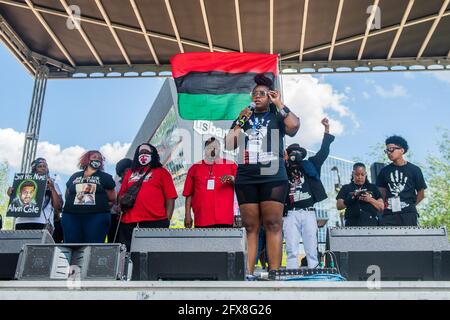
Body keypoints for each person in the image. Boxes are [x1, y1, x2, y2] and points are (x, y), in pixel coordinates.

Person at [225, 74, 300, 274]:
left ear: (270, 96)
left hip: (273, 174)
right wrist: (240, 122)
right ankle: (248, 273)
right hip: (247, 175)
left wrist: (280, 103)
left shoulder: (277, 114)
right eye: (254, 94)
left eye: (262, 94)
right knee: (250, 226)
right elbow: (229, 143)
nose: (257, 97)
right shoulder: (245, 117)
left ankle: (274, 273)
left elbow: (293, 127)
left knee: (273, 223)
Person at [283, 118, 334, 269]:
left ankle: (314, 270)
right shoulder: (282, 168)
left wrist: (326, 130)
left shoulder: (310, 165)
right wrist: (284, 162)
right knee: (291, 246)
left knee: (312, 245)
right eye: (293, 152)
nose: (296, 155)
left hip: (308, 212)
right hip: (290, 213)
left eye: (299, 152)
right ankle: (291, 271)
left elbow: (323, 152)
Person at [118, 143, 177, 250]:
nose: (143, 155)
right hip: (129, 222)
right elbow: (121, 195)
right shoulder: (130, 173)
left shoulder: (162, 172)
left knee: (154, 252)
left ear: (153, 154)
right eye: (141, 153)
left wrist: (167, 220)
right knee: (128, 253)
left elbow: (170, 197)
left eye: (147, 152)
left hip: (156, 221)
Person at [62, 150, 116, 243]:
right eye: (94, 157)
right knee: (71, 244)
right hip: (71, 216)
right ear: (86, 159)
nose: (97, 160)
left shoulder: (105, 177)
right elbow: (68, 195)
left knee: (93, 245)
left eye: (100, 158)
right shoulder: (75, 176)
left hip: (97, 216)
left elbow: (112, 199)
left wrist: (97, 208)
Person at [183, 137, 237, 228]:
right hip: (202, 219)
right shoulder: (195, 168)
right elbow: (189, 194)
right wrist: (187, 215)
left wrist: (233, 179)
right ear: (205, 150)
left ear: (219, 149)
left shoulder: (231, 165)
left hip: (224, 219)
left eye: (215, 147)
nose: (212, 149)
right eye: (209, 147)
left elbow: (243, 186)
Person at [376, 135, 427, 226]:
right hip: (389, 215)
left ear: (402, 150)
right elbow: (381, 195)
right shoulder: (384, 171)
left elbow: (421, 194)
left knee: (409, 239)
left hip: (409, 215)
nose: (388, 152)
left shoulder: (415, 170)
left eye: (391, 149)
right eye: (387, 150)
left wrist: (409, 206)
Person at [12, 158, 63, 233]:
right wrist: (11, 193)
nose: (43, 168)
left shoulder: (54, 184)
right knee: (23, 244)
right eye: (40, 166)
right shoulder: (24, 183)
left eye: (45, 166)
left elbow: (58, 207)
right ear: (34, 169)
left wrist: (52, 188)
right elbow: (16, 203)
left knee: (39, 244)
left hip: (42, 222)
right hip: (21, 221)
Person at [108, 158, 132, 243]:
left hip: (130, 217)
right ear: (121, 173)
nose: (129, 173)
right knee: (114, 239)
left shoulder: (136, 184)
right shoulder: (115, 185)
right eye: (126, 171)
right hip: (115, 217)